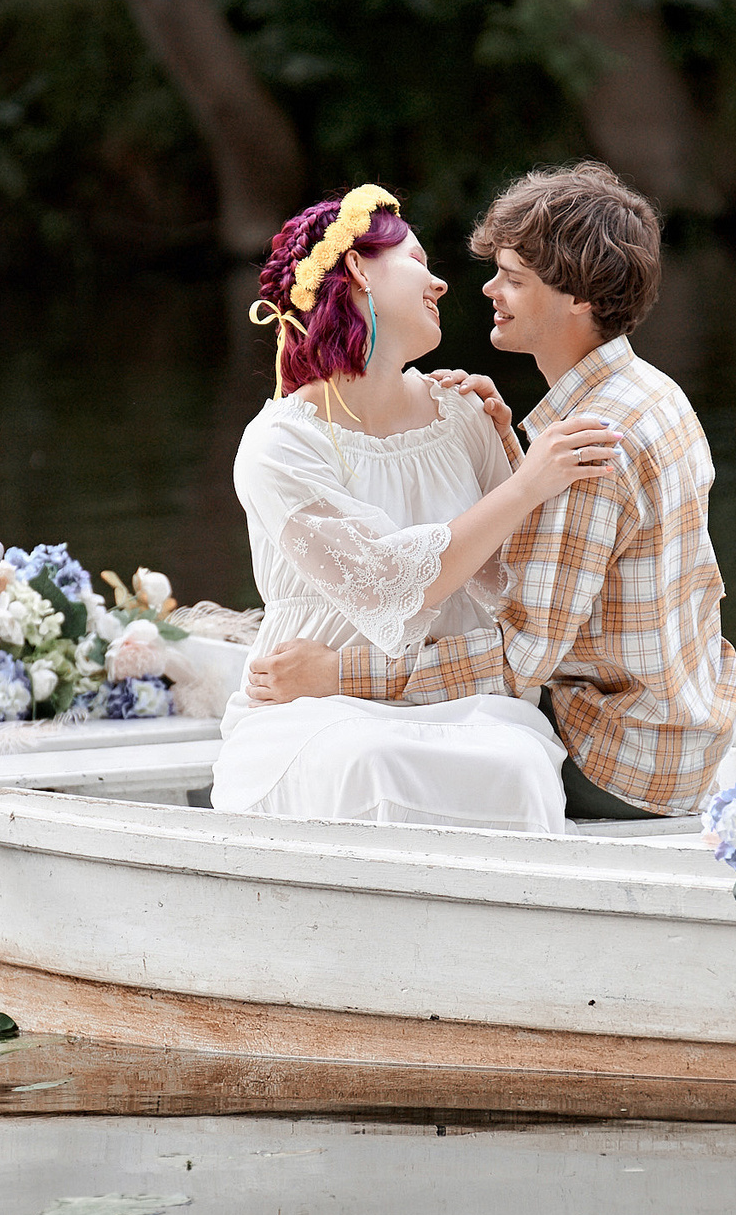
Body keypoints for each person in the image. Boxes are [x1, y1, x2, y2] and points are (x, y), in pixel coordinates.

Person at [249, 162, 736, 820]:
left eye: (512, 277)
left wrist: (337, 676)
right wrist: (516, 454)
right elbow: (539, 557)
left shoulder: (586, 446)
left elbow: (517, 661)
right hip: (674, 733)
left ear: (576, 299)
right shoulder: (645, 395)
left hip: (619, 758)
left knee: (477, 767)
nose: (481, 287)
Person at [210, 183, 624, 831]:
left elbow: (528, 587)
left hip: (462, 699)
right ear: (355, 272)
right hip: (313, 707)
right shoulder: (278, 445)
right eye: (417, 263)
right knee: (368, 760)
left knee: (517, 765)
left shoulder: (462, 412)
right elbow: (388, 586)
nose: (439, 284)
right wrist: (526, 485)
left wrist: (513, 454)